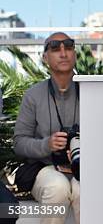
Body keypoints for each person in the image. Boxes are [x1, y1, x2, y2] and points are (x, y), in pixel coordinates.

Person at [13, 33, 80, 224]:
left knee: (85, 190)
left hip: (84, 167)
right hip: (45, 167)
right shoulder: (33, 95)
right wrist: (47, 144)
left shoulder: (90, 90)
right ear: (45, 58)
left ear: (75, 54)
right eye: (55, 48)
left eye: (68, 47)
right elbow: (19, 143)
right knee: (57, 187)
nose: (63, 53)